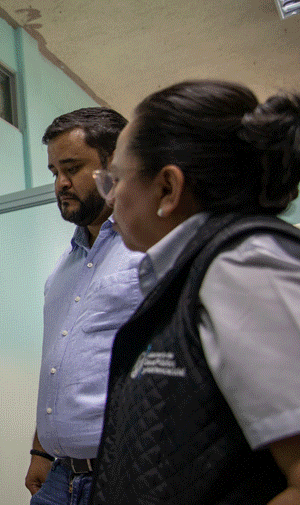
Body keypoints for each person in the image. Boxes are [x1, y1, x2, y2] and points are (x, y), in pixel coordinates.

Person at [90, 80, 300, 503]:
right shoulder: (189, 277)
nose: (110, 200)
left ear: (167, 188)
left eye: (117, 178)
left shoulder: (243, 266)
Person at [26, 108, 144, 505]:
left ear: (115, 165)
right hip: (60, 474)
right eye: (54, 172)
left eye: (72, 168)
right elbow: (58, 364)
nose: (60, 183)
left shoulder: (148, 249)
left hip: (125, 474)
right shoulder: (63, 270)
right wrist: (41, 450)